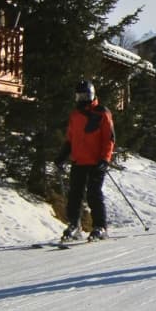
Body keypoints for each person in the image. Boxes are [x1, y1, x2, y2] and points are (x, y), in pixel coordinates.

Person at [54, 79, 115, 242]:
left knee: (94, 194)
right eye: (79, 96)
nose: (82, 99)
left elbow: (109, 139)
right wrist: (62, 156)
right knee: (75, 194)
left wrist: (105, 159)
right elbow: (70, 139)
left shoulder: (102, 113)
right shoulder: (75, 115)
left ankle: (100, 226)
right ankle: (74, 225)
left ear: (92, 95)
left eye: (85, 96)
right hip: (79, 161)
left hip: (96, 162)